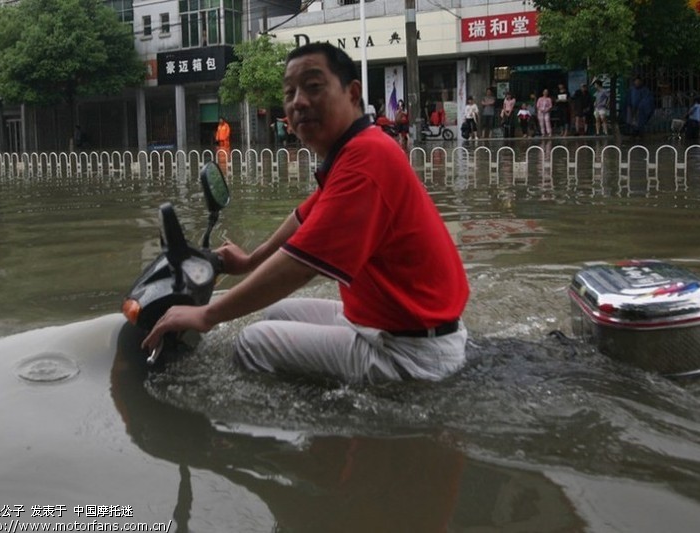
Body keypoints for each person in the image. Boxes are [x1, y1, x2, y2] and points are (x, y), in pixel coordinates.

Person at [142, 41, 469, 384]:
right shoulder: (356, 150)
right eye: (289, 92)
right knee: (277, 312)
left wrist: (206, 315)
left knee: (253, 343)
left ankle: (319, 428)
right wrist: (251, 261)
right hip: (390, 323)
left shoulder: (366, 161)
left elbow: (299, 265)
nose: (298, 101)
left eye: (313, 87)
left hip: (410, 351)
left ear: (353, 93)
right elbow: (302, 219)